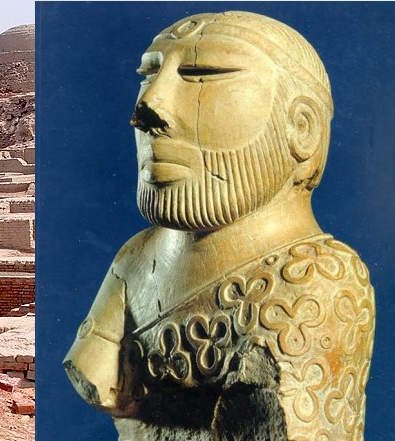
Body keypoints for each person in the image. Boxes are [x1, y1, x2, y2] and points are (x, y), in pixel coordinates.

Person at [63, 11, 375, 440]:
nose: (147, 107)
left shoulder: (319, 280)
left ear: (300, 127)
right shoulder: (136, 257)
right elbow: (101, 385)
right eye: (147, 76)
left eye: (202, 75)